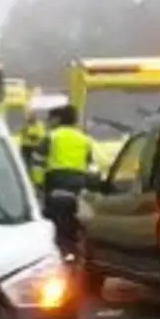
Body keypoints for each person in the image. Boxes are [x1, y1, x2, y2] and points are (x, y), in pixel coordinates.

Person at [39, 104, 95, 255]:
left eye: (50, 119)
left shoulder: (52, 136)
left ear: (57, 120)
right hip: (78, 183)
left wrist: (37, 185)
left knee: (52, 217)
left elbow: (38, 161)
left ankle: (58, 248)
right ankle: (76, 245)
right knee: (75, 215)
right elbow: (91, 164)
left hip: (56, 181)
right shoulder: (85, 139)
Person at [18, 110, 48, 188]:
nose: (29, 118)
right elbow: (22, 134)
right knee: (24, 164)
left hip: (34, 148)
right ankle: (25, 179)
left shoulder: (39, 125)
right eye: (28, 116)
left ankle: (34, 181)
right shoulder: (26, 125)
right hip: (25, 147)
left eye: (31, 116)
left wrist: (30, 135)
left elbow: (40, 136)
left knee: (33, 165)